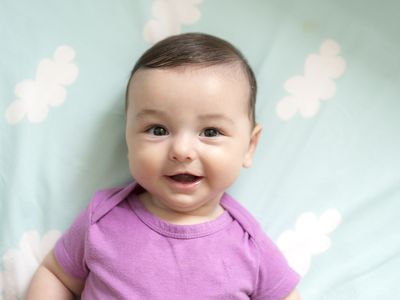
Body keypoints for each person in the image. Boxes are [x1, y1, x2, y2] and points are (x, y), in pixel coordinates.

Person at [27, 32, 301, 299]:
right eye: (158, 130)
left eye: (210, 132)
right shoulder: (102, 217)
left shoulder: (250, 245)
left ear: (249, 146)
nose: (181, 151)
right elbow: (56, 275)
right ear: (128, 138)